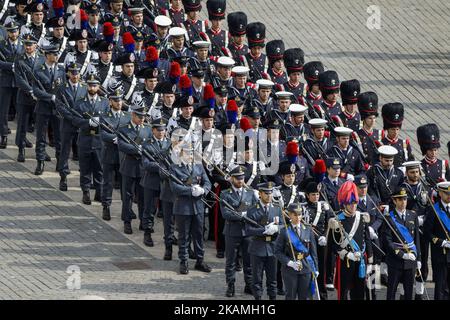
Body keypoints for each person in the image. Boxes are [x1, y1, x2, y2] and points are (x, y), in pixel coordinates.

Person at [169, 141, 212, 275]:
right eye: (188, 152)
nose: (191, 155)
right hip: (183, 207)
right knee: (184, 236)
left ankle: (200, 260)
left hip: (198, 206)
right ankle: (184, 261)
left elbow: (207, 182)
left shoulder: (198, 166)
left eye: (192, 153)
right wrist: (190, 190)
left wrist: (203, 190)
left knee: (198, 235)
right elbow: (175, 188)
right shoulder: (175, 167)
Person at [329, 181, 373, 300]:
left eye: (354, 203)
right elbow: (333, 244)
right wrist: (346, 254)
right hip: (346, 260)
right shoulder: (338, 220)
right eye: (350, 203)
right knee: (343, 290)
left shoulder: (362, 218)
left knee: (359, 290)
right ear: (344, 204)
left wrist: (369, 259)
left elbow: (367, 238)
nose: (353, 206)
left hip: (361, 259)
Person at [220, 165, 258, 297]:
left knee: (249, 261)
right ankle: (230, 286)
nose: (241, 181)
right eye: (237, 178)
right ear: (232, 179)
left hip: (247, 232)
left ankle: (249, 284)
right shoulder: (225, 194)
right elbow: (225, 213)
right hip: (232, 232)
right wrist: (241, 215)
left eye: (242, 178)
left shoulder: (250, 193)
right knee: (231, 261)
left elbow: (255, 211)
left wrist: (247, 214)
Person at [72, 74, 109, 205]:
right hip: (85, 140)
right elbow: (75, 120)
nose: (92, 88)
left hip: (99, 141)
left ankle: (99, 192)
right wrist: (88, 122)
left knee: (99, 169)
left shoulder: (104, 103)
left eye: (94, 85)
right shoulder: (80, 102)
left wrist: (99, 122)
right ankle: (86, 192)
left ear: (98, 87)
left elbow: (108, 120)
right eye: (90, 85)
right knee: (85, 168)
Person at [117, 95, 152, 234]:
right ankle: (127, 221)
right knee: (128, 195)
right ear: (133, 114)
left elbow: (150, 146)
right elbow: (122, 145)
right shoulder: (124, 129)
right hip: (129, 167)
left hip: (143, 168)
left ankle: (144, 222)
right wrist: (137, 149)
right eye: (139, 116)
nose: (142, 118)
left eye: (143, 116)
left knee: (143, 196)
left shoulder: (148, 129)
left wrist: (144, 150)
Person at [245, 182, 283, 300]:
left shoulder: (277, 209)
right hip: (257, 247)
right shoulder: (252, 210)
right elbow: (248, 230)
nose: (269, 196)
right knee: (257, 279)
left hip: (272, 248)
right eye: (266, 193)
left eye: (270, 193)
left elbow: (283, 225)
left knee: (272, 279)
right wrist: (264, 230)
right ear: (260, 194)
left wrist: (277, 228)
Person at [32, 45, 66, 176]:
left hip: (57, 109)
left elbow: (63, 88)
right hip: (43, 108)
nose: (56, 56)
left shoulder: (61, 70)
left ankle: (59, 162)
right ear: (47, 56)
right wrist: (50, 96)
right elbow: (36, 91)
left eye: (57, 54)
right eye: (53, 54)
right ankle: (40, 162)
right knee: (41, 137)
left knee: (59, 137)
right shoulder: (38, 71)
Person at [383, 186, 421, 300]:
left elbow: (417, 239)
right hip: (395, 260)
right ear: (394, 201)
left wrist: (418, 258)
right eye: (400, 199)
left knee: (409, 292)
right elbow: (387, 241)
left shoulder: (412, 215)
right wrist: (402, 254)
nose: (403, 202)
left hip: (411, 260)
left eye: (404, 199)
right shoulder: (389, 218)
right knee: (392, 292)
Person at [275, 202, 319, 300]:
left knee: (305, 297)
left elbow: (313, 252)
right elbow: (277, 251)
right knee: (290, 296)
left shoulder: (308, 229)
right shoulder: (284, 231)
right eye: (295, 214)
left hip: (306, 267)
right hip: (290, 270)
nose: (298, 217)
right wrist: (290, 263)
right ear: (290, 214)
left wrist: (315, 268)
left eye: (299, 214)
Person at [100, 84, 131, 220]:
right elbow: (103, 135)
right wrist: (116, 139)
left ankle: (127, 208)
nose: (119, 103)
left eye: (120, 100)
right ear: (110, 101)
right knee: (108, 182)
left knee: (125, 184)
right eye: (116, 100)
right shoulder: (105, 116)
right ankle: (106, 206)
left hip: (124, 156)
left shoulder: (127, 116)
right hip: (110, 154)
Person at [55, 62, 87, 191]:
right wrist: (73, 119)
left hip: (81, 125)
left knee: (82, 152)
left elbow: (86, 106)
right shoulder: (61, 88)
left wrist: (80, 119)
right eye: (73, 73)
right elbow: (60, 107)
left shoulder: (84, 88)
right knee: (65, 151)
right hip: (68, 124)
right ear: (68, 73)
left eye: (77, 73)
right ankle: (63, 176)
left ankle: (84, 178)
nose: (75, 75)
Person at [141, 118, 171, 246]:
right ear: (153, 130)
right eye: (158, 130)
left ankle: (169, 235)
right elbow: (146, 164)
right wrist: (161, 167)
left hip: (166, 183)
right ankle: (147, 233)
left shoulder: (169, 144)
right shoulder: (147, 144)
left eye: (163, 130)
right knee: (149, 209)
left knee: (168, 211)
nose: (161, 132)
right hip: (151, 181)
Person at [302, 180, 334, 300]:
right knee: (309, 269)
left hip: (322, 242)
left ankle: (322, 294)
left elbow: (330, 223)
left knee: (321, 269)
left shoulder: (324, 207)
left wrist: (325, 236)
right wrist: (317, 237)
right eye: (313, 194)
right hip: (309, 243)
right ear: (307, 195)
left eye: (317, 194)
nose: (316, 197)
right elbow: (305, 227)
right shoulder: (303, 208)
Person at [13, 33, 41, 162]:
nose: (28, 47)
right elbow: (19, 79)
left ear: (36, 45)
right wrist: (31, 91)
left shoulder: (41, 59)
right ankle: (21, 149)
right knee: (22, 125)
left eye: (30, 45)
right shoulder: (19, 59)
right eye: (26, 44)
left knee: (40, 126)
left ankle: (41, 151)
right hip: (24, 97)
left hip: (39, 98)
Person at [424, 181, 450, 300]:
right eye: (446, 193)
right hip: (441, 254)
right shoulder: (433, 210)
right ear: (440, 193)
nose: (449, 196)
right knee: (440, 287)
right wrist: (441, 242)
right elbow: (427, 232)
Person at [0, 21, 23, 149]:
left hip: (19, 82)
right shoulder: (2, 45)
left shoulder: (24, 45)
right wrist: (11, 66)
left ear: (18, 31)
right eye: (11, 31)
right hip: (5, 80)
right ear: (7, 32)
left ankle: (22, 136)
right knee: (3, 110)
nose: (13, 33)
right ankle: (3, 135)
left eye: (15, 31)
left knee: (21, 111)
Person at [381, 102, 414, 167]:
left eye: (397, 129)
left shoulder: (404, 143)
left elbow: (410, 161)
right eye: (393, 129)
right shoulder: (381, 143)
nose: (395, 132)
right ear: (387, 129)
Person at [357, 91, 382, 166]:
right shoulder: (356, 135)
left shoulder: (380, 133)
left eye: (374, 118)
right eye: (370, 118)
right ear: (364, 119)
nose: (372, 121)